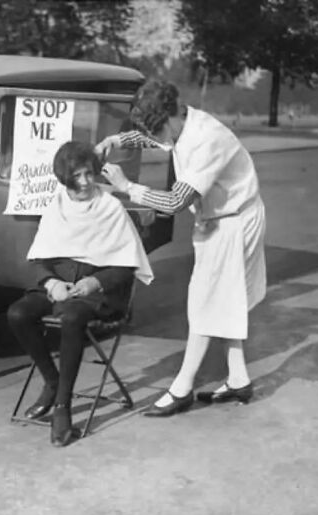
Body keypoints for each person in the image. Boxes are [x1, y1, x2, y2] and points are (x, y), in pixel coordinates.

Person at [95, 79, 267, 417]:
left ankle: (182, 388)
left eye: (159, 129)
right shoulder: (180, 123)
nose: (158, 138)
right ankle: (238, 379)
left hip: (233, 221)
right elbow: (152, 136)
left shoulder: (207, 139)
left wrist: (127, 186)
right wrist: (115, 139)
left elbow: (174, 201)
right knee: (223, 302)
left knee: (205, 304)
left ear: (172, 114)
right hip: (218, 219)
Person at [7, 141, 153, 446]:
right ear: (65, 179)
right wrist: (50, 283)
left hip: (98, 293)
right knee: (18, 314)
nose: (86, 182)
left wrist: (95, 283)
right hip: (60, 285)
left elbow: (127, 266)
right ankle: (52, 380)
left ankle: (63, 406)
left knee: (72, 318)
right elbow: (37, 259)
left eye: (89, 174)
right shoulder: (56, 205)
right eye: (78, 177)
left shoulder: (110, 207)